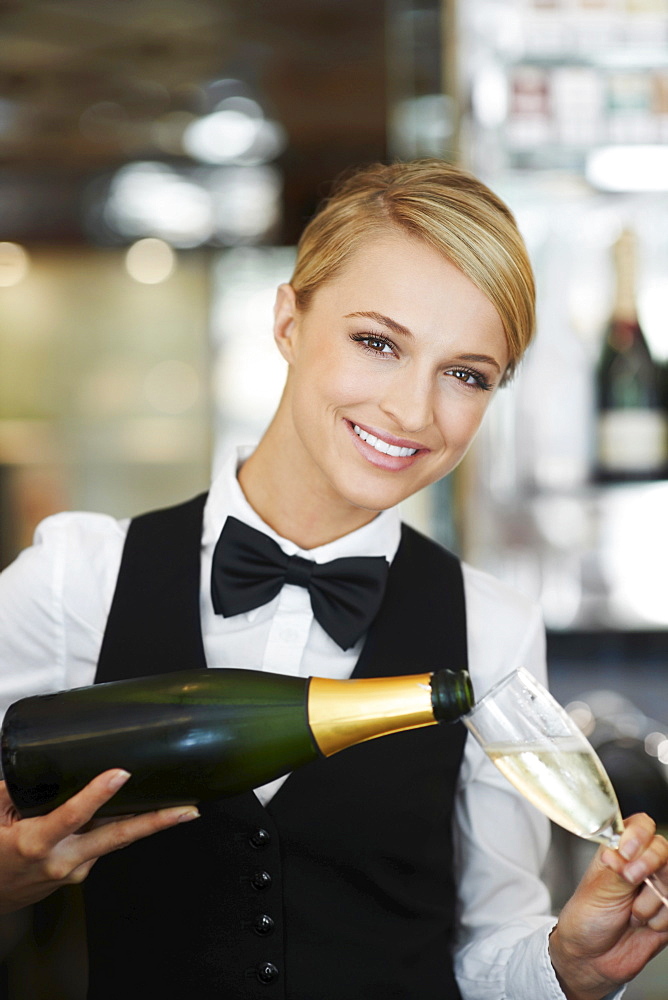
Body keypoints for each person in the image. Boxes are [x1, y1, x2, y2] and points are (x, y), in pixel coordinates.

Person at [0, 158, 667, 1000]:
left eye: (466, 375)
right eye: (377, 343)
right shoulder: (77, 581)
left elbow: (488, 944)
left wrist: (565, 965)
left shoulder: (491, 626)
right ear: (287, 320)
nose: (412, 412)